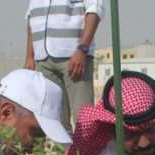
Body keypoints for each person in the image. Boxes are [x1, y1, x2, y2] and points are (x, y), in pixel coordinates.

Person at [25, 0, 104, 132]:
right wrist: (30, 56)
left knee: (83, 119)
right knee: (55, 121)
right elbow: (31, 18)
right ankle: (63, 153)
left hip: (74, 58)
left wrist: (82, 49)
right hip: (43, 61)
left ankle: (86, 152)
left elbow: (95, 9)